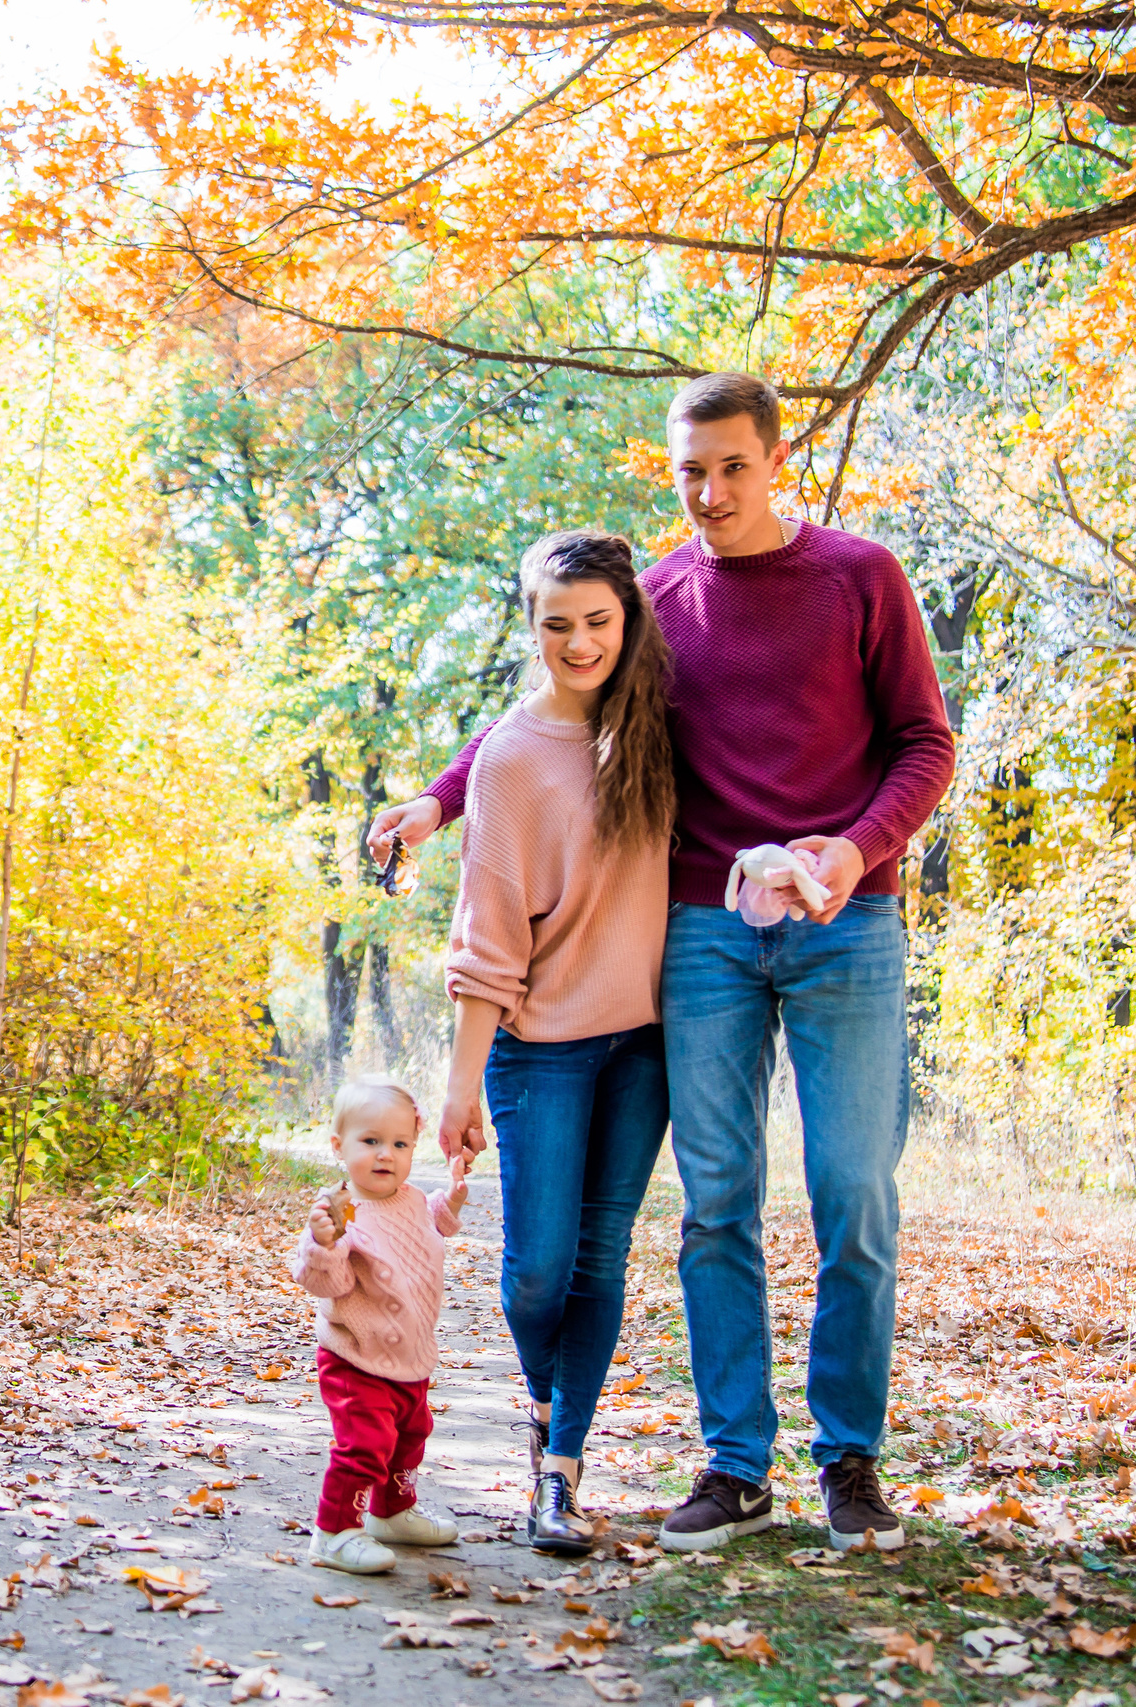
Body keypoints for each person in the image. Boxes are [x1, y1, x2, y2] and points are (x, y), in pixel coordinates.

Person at [374, 373, 955, 1555]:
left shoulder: (859, 577)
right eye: (690, 472)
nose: (710, 493)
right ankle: (736, 1464)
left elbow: (925, 746)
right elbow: (544, 709)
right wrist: (437, 807)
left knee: (854, 1197)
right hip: (702, 931)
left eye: (733, 467)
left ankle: (850, 1462)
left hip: (847, 923)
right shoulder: (657, 601)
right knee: (715, 1206)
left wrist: (848, 854)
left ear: (776, 459)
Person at [434, 529, 674, 1555]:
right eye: (556, 624)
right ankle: (541, 1417)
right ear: (528, 625)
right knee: (538, 1269)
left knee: (601, 1259)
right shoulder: (508, 759)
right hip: (537, 1047)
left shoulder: (664, 727)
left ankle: (561, 1472)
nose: (579, 642)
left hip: (647, 1047)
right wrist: (458, 1086)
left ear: (628, 620)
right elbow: (486, 942)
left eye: (598, 622)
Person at [293, 1076, 471, 1574]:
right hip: (356, 1356)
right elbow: (322, 1281)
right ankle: (333, 1532)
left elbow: (428, 1223)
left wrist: (451, 1200)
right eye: (370, 1142)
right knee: (365, 1445)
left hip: (409, 1354)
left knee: (411, 1435)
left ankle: (392, 1512)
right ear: (339, 1146)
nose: (385, 1155)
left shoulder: (411, 1198)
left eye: (399, 1144)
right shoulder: (341, 1212)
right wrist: (324, 1244)